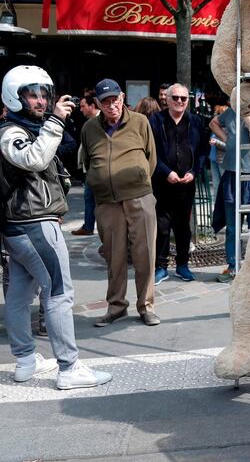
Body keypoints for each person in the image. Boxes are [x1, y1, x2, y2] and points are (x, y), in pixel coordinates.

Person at [0, 65, 112, 389]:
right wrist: (56, 121)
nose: (41, 101)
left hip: (19, 228)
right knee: (59, 293)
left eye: (44, 94)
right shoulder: (11, 133)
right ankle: (69, 367)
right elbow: (33, 159)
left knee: (19, 296)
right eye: (33, 94)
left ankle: (26, 360)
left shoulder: (14, 128)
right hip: (34, 226)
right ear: (14, 97)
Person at [81, 78, 160, 327]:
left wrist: (137, 181)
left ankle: (146, 306)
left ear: (122, 98)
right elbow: (87, 162)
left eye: (114, 99)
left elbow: (151, 158)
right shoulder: (89, 129)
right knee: (113, 256)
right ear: (98, 104)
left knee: (144, 254)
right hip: (106, 202)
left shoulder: (140, 122)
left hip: (139, 198)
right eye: (105, 102)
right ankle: (116, 306)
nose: (111, 105)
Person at [149, 83, 210, 284]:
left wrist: (194, 172)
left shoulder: (196, 122)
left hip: (186, 184)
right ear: (166, 98)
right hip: (162, 183)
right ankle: (161, 267)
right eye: (175, 97)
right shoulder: (155, 121)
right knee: (162, 226)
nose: (180, 102)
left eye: (184, 98)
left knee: (183, 227)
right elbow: (151, 152)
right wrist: (165, 172)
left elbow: (202, 152)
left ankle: (183, 265)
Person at [209, 106, 250, 281]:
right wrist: (228, 140)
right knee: (232, 226)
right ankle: (233, 265)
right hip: (233, 173)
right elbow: (213, 123)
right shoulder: (232, 110)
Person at [72, 92, 100, 236]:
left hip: (97, 168)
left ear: (92, 106)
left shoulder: (101, 121)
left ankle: (90, 226)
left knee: (93, 198)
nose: (81, 109)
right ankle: (88, 225)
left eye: (83, 106)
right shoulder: (90, 123)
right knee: (89, 197)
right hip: (90, 168)